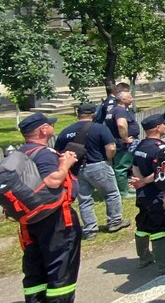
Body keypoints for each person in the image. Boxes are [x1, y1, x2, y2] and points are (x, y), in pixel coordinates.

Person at [14, 113, 82, 303]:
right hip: (55, 218)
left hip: (30, 218)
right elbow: (52, 181)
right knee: (61, 265)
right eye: (49, 125)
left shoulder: (20, 153)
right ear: (43, 130)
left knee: (35, 266)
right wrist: (66, 164)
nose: (52, 128)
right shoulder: (43, 154)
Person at [54, 102, 127, 238]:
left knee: (84, 200)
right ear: (94, 114)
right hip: (98, 165)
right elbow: (111, 147)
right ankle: (114, 221)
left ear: (78, 114)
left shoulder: (66, 131)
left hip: (76, 168)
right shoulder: (100, 128)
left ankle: (90, 230)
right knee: (111, 193)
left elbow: (58, 152)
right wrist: (108, 159)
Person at [129, 114, 165, 274]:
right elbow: (161, 172)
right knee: (160, 228)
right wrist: (144, 181)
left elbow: (135, 167)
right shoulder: (159, 148)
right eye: (163, 125)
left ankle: (144, 257)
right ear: (158, 128)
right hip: (156, 193)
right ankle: (164, 265)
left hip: (143, 194)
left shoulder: (140, 146)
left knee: (143, 224)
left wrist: (139, 181)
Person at [106, 89, 141, 197]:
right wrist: (125, 138)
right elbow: (121, 124)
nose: (132, 99)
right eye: (130, 97)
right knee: (122, 166)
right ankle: (123, 192)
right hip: (124, 144)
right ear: (123, 99)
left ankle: (125, 187)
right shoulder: (120, 111)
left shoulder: (113, 110)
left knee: (123, 165)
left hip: (117, 141)